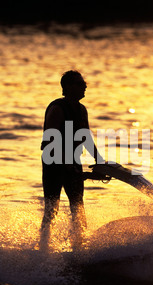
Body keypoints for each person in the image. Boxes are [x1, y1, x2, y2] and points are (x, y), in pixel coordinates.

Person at [40, 70, 104, 253]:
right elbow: (50, 140)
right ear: (67, 87)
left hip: (73, 161)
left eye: (84, 83)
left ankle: (79, 249)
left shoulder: (81, 109)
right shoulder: (57, 108)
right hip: (53, 162)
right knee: (52, 209)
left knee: (78, 207)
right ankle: (43, 249)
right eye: (79, 83)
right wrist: (64, 164)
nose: (84, 86)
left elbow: (86, 137)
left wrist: (99, 162)